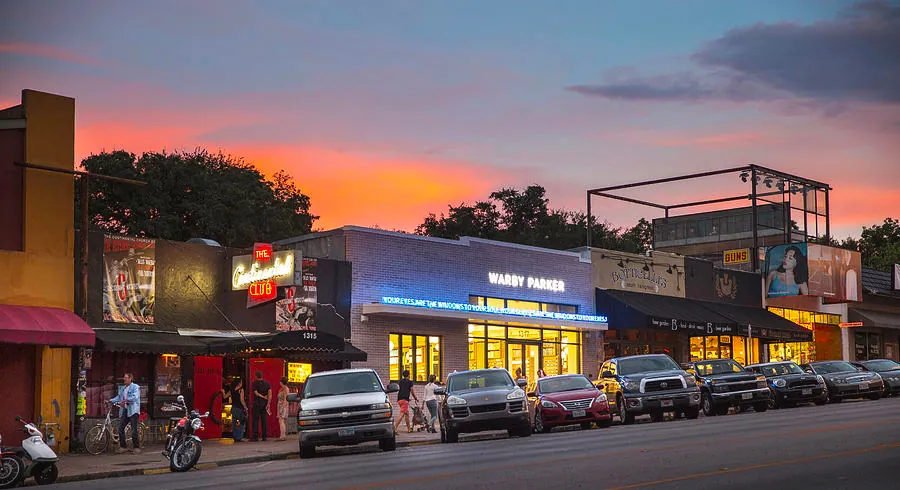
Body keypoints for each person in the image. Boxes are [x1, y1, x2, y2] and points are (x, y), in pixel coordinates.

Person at [109, 373, 141, 454]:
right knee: (120, 428)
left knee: (134, 430)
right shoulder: (123, 388)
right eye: (124, 378)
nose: (124, 379)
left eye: (126, 378)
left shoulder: (135, 387)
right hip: (126, 410)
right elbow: (118, 397)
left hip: (133, 411)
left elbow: (135, 396)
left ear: (130, 379)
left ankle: (136, 447)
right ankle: (123, 447)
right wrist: (110, 400)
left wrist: (126, 400)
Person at [251, 371, 272, 441]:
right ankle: (264, 436)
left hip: (257, 403)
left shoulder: (254, 383)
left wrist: (262, 396)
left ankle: (255, 437)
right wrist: (268, 403)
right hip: (264, 404)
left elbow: (256, 393)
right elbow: (270, 394)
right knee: (264, 420)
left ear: (256, 376)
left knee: (255, 420)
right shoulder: (267, 384)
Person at [276, 377, 290, 441]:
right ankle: (282, 435)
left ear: (281, 382)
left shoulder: (286, 389)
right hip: (280, 405)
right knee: (281, 421)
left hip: (283, 406)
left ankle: (283, 435)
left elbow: (285, 400)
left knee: (281, 421)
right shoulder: (282, 389)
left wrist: (281, 408)